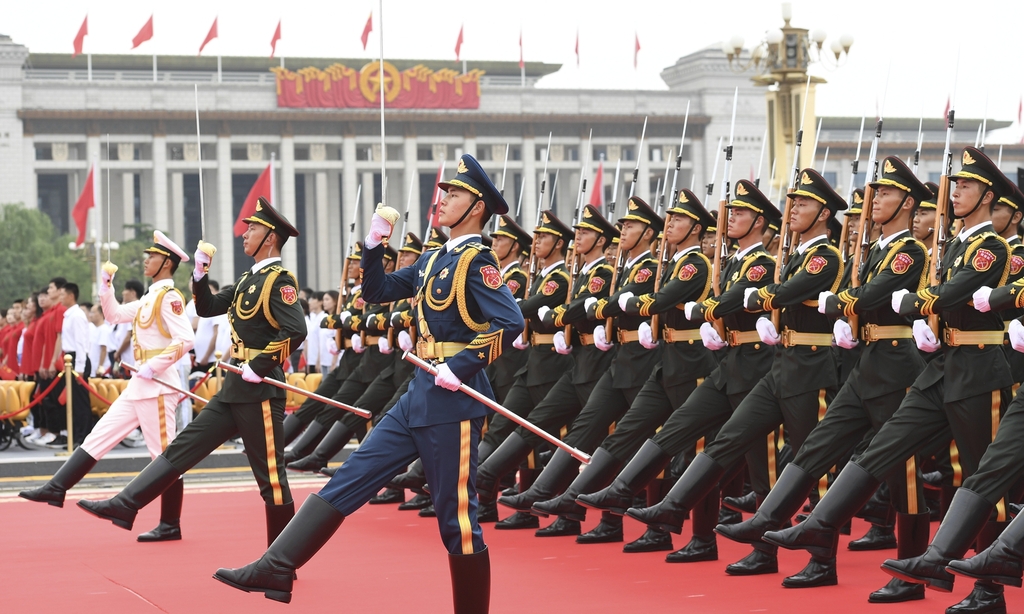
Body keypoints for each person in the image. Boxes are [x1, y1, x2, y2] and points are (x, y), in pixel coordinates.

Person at [213, 154, 523, 612]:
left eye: (454, 195)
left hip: (453, 403)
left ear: (477, 208)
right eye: (445, 194)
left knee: (456, 520)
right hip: (419, 393)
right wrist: (376, 246)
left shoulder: (478, 261)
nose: (443, 201)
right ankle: (277, 565)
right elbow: (377, 291)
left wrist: (461, 368)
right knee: (348, 479)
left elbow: (509, 321)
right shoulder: (437, 257)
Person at [766, 147, 1016, 614]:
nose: (954, 193)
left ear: (987, 195)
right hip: (942, 364)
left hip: (980, 369)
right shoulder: (959, 243)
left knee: (983, 477)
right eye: (955, 185)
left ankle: (989, 590)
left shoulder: (991, 246)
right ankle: (823, 522)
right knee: (885, 447)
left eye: (964, 186)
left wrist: (911, 303)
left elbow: (950, 293)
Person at [716, 157, 934, 601]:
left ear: (908, 203)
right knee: (817, 446)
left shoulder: (909, 250)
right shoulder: (871, 251)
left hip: (896, 368)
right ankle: (775, 522)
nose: (875, 202)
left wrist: (838, 304)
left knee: (903, 476)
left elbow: (869, 296)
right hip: (865, 365)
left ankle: (911, 575)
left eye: (886, 194)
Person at [625, 169, 845, 575]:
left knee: (812, 462)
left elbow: (783, 293)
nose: (793, 209)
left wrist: (740, 302)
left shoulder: (825, 255)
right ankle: (675, 510)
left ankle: (822, 559)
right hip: (779, 367)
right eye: (792, 202)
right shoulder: (794, 255)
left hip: (810, 369)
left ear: (825, 213)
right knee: (729, 439)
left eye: (803, 204)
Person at [78, 198, 307, 553]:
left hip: (259, 390)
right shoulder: (249, 279)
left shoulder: (280, 281)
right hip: (234, 387)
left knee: (271, 479)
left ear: (271, 239)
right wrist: (198, 276)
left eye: (253, 229)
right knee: (181, 449)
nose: (245, 233)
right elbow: (208, 307)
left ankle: (280, 562)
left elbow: (295, 330)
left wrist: (259, 365)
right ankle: (127, 503)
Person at [578, 180, 781, 563]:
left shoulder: (761, 264)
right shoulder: (733, 262)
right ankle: (626, 490)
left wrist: (703, 313)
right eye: (731, 211)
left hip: (755, 366)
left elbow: (727, 301)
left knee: (759, 463)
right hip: (727, 363)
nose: (731, 218)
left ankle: (764, 547)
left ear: (760, 222)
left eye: (739, 213)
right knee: (682, 432)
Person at [21, 232, 195, 541]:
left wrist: (153, 366)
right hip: (140, 385)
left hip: (157, 386)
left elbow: (186, 340)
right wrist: (105, 285)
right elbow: (113, 314)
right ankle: (56, 487)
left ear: (166, 262)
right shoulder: (148, 299)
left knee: (163, 457)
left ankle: (170, 524)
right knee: (99, 436)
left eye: (151, 256)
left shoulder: (169, 297)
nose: (145, 260)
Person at [56, 282, 92, 445]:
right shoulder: (69, 315)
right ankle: (75, 437)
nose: (60, 297)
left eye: (63, 294)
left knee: (80, 402)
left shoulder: (77, 315)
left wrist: (80, 368)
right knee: (73, 402)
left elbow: (80, 343)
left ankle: (83, 438)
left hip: (78, 359)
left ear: (71, 296)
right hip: (70, 359)